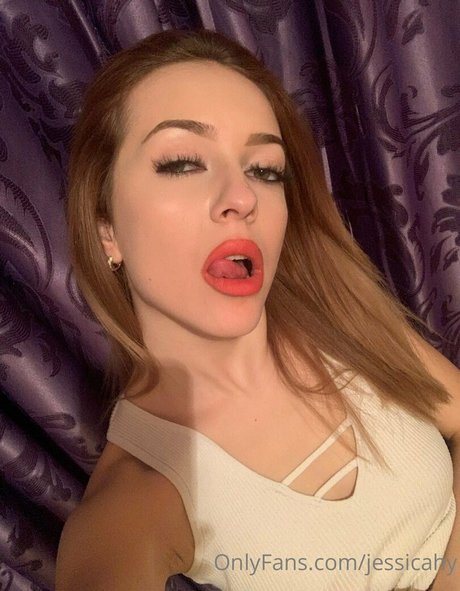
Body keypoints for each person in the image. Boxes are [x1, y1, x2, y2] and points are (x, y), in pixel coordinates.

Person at [55, 29, 460, 591]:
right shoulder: (137, 498)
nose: (243, 197)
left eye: (265, 169)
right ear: (107, 230)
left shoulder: (333, 312)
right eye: (182, 163)